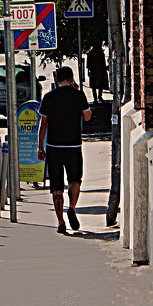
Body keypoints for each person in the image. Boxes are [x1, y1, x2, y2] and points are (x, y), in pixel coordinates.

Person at [37, 66, 91, 234]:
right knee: (75, 180)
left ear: (56, 79)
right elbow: (87, 116)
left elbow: (43, 124)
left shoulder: (49, 97)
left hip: (54, 147)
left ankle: (61, 221)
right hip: (74, 146)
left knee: (56, 186)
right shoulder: (79, 95)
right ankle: (72, 208)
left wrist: (40, 147)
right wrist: (77, 92)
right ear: (71, 78)